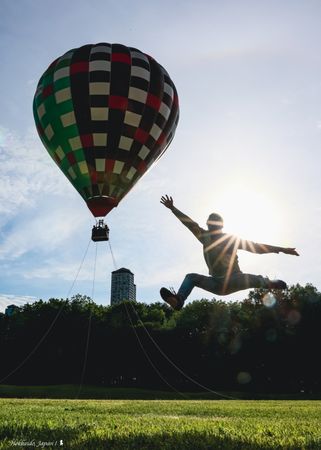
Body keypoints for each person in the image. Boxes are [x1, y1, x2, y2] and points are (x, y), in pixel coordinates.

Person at [159, 195, 299, 310]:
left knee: (253, 279)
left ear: (220, 227)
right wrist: (173, 208)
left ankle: (271, 283)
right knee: (191, 278)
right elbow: (189, 223)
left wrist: (281, 249)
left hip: (233, 279)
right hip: (216, 283)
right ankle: (179, 300)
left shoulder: (228, 240)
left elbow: (256, 247)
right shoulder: (204, 236)